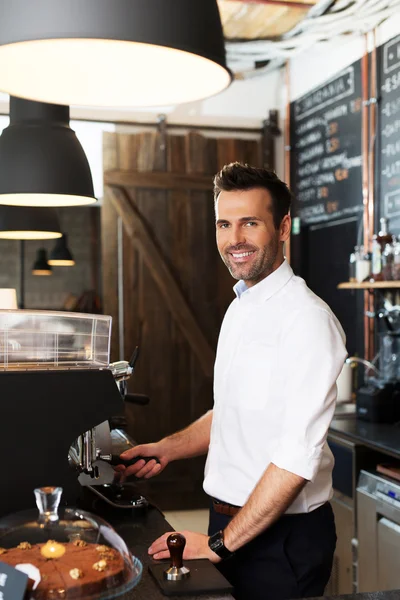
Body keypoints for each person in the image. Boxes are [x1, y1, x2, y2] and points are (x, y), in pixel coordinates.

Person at [117, 162, 347, 600]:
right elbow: (234, 411)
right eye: (224, 223)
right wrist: (168, 449)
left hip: (281, 538)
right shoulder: (240, 306)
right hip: (231, 523)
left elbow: (296, 461)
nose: (234, 238)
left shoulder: (307, 321)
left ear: (282, 228)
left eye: (250, 223)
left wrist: (219, 545)